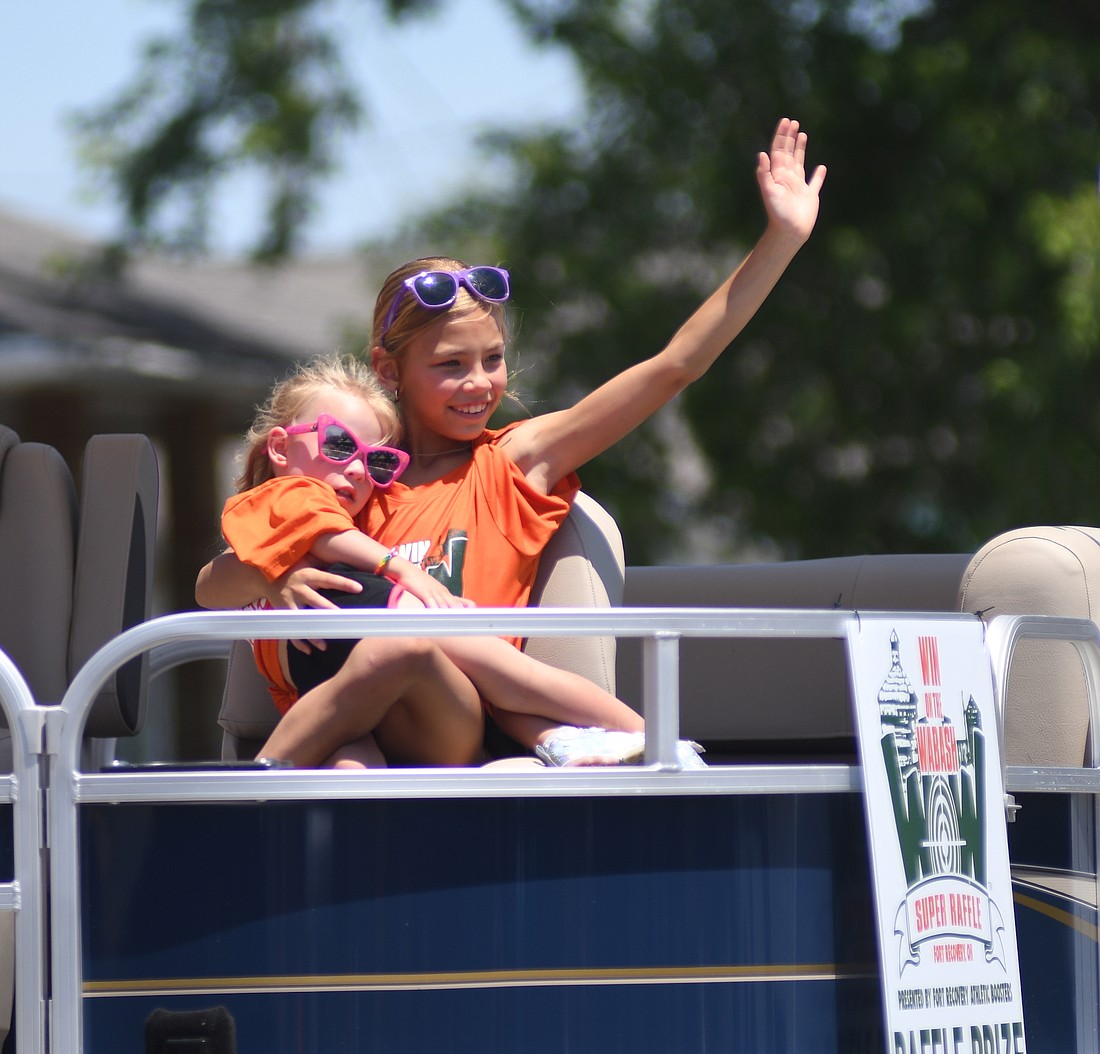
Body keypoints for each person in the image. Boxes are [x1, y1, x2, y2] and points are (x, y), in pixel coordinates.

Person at [197, 116, 826, 770]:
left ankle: (644, 739)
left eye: (492, 359)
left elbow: (674, 366)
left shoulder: (512, 462)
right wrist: (283, 575)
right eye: (450, 365)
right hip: (358, 727)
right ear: (390, 371)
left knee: (403, 643)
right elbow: (219, 578)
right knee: (348, 766)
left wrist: (780, 241)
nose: (478, 384)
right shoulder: (357, 481)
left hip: (456, 719)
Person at [221, 354, 673, 768]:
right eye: (338, 445)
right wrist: (401, 571)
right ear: (280, 448)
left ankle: (646, 735)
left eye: (378, 461)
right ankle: (646, 736)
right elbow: (272, 558)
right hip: (349, 645)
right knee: (511, 677)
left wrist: (271, 578)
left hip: (364, 650)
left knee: (493, 674)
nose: (360, 470)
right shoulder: (289, 497)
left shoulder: (312, 514)